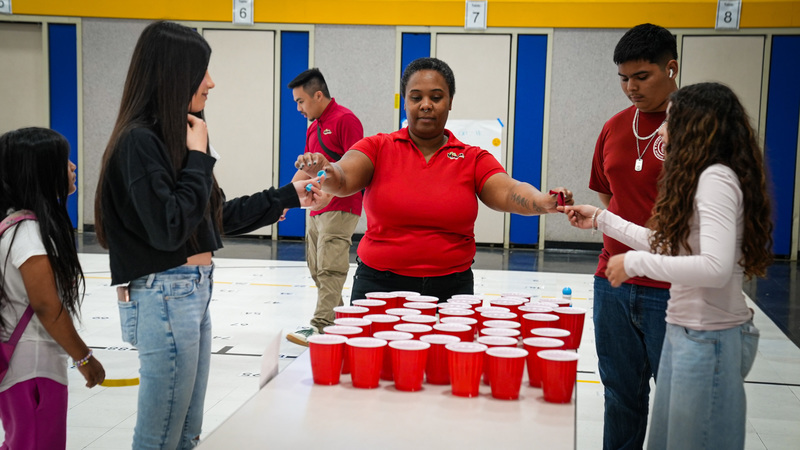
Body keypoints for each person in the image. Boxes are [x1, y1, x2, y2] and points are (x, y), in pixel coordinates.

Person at [94, 21, 326, 449]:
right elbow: (170, 228)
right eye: (202, 72)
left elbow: (210, 220)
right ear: (172, 74)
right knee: (161, 434)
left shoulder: (177, 137)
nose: (211, 83)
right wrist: (198, 156)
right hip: (165, 292)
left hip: (190, 292)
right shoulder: (139, 142)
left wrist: (287, 196)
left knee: (186, 430)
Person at [565, 82, 773, 450]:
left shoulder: (716, 180)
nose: (661, 129)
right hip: (687, 332)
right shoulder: (702, 179)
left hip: (709, 338)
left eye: (671, 121)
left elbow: (715, 267)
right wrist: (600, 218)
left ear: (698, 126)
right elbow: (671, 245)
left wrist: (635, 262)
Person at [294, 57, 571, 303]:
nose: (426, 105)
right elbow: (343, 178)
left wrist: (541, 202)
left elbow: (509, 190)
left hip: (451, 291)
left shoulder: (472, 157)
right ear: (405, 101)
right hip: (379, 288)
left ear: (450, 101)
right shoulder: (378, 147)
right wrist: (327, 171)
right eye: (416, 97)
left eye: (436, 97)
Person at [588, 23, 679, 449]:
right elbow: (612, 195)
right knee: (620, 395)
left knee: (678, 402)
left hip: (674, 285)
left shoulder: (694, 129)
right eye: (623, 78)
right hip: (613, 281)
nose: (631, 87)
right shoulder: (614, 126)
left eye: (642, 77)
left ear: (671, 69)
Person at [0, 127, 106, 448]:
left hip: (25, 365)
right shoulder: (30, 233)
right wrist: (84, 358)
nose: (72, 166)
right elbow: (47, 305)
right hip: (32, 367)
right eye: (64, 161)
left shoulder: (17, 224)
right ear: (39, 171)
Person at [284, 68, 364, 346]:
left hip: (341, 207)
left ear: (318, 95)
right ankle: (342, 323)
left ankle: (321, 326)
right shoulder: (313, 127)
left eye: (300, 101)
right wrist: (284, 200)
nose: (298, 108)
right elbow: (306, 171)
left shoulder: (345, 120)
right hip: (316, 209)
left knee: (330, 268)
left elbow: (355, 166)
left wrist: (332, 192)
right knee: (317, 268)